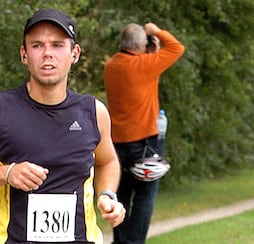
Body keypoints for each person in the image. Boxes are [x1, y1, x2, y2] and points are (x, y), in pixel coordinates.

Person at [0, 8, 126, 244]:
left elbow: (107, 161)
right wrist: (7, 173)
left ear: (74, 53)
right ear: (24, 54)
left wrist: (107, 195)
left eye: (57, 45)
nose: (47, 54)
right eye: (37, 45)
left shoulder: (93, 112)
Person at [103, 22, 185, 243]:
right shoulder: (144, 65)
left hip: (117, 142)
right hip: (145, 143)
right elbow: (177, 47)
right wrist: (154, 30)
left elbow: (144, 79)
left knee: (122, 196)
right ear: (141, 45)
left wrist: (150, 51)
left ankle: (120, 241)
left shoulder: (111, 66)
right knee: (145, 196)